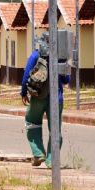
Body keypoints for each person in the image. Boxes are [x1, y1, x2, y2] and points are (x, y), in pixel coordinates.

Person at [20, 33, 69, 168]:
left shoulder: (35, 55)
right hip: (56, 99)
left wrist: (24, 92)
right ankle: (51, 160)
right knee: (55, 130)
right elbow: (66, 79)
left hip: (37, 97)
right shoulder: (60, 56)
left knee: (32, 123)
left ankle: (38, 153)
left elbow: (26, 75)